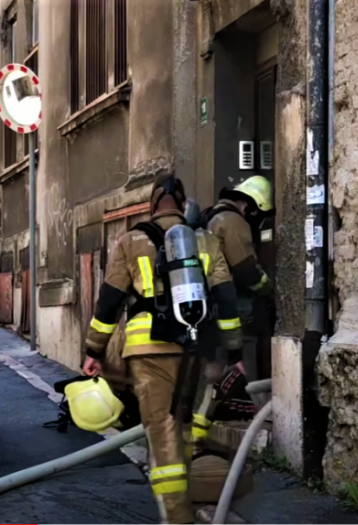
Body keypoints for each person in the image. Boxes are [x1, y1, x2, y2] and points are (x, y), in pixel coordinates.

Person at [83, 174, 244, 524]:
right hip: (196, 347)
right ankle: (192, 496)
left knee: (162, 433)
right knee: (186, 426)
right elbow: (226, 298)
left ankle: (177, 518)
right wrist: (235, 353)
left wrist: (93, 351)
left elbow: (109, 302)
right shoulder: (204, 239)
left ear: (152, 204)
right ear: (183, 203)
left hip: (147, 350)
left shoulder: (131, 240)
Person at [202, 175, 274, 382]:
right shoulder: (233, 221)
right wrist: (268, 289)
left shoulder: (211, 217)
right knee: (242, 369)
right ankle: (249, 407)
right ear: (251, 208)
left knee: (215, 373)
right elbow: (245, 270)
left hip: (211, 305)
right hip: (233, 308)